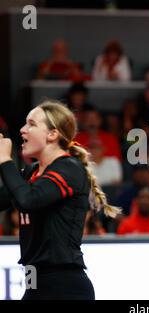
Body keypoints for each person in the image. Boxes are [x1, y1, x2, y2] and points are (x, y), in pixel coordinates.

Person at [0, 101, 121, 300]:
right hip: (34, 283)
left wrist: (5, 160)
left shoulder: (69, 168)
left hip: (64, 286)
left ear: (52, 134)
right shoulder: (32, 172)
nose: (22, 130)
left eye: (31, 124)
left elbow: (27, 200)